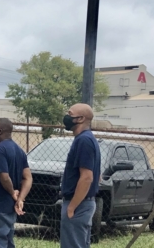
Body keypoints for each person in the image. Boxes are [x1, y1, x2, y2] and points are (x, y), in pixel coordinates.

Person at [0, 118, 32, 248]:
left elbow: (4, 176)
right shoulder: (20, 151)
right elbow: (28, 178)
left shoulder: (0, 149)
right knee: (7, 243)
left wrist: (13, 193)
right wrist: (20, 198)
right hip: (9, 210)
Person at [60, 103, 101, 248]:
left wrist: (72, 207)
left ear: (81, 118)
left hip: (78, 205)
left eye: (70, 114)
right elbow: (96, 175)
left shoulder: (84, 141)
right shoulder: (86, 139)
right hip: (82, 204)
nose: (66, 117)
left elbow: (87, 177)